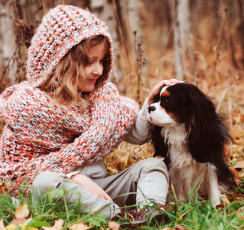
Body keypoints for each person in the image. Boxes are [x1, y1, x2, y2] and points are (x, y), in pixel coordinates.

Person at [0, 5, 177, 224]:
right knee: (45, 181)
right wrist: (75, 177)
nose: (99, 71)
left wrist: (149, 104)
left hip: (101, 189)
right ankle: (116, 218)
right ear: (59, 63)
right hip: (61, 193)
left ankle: (150, 211)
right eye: (89, 62)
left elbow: (138, 134)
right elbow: (16, 179)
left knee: (152, 165)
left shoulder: (103, 100)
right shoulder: (27, 109)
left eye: (101, 61)